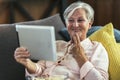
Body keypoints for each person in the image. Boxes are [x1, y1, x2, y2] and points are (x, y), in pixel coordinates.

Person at [14, 1, 109, 80]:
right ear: (66, 24)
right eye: (70, 20)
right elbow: (40, 69)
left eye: (80, 20)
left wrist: (80, 57)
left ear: (90, 24)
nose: (75, 25)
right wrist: (27, 62)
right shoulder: (56, 44)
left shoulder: (96, 48)